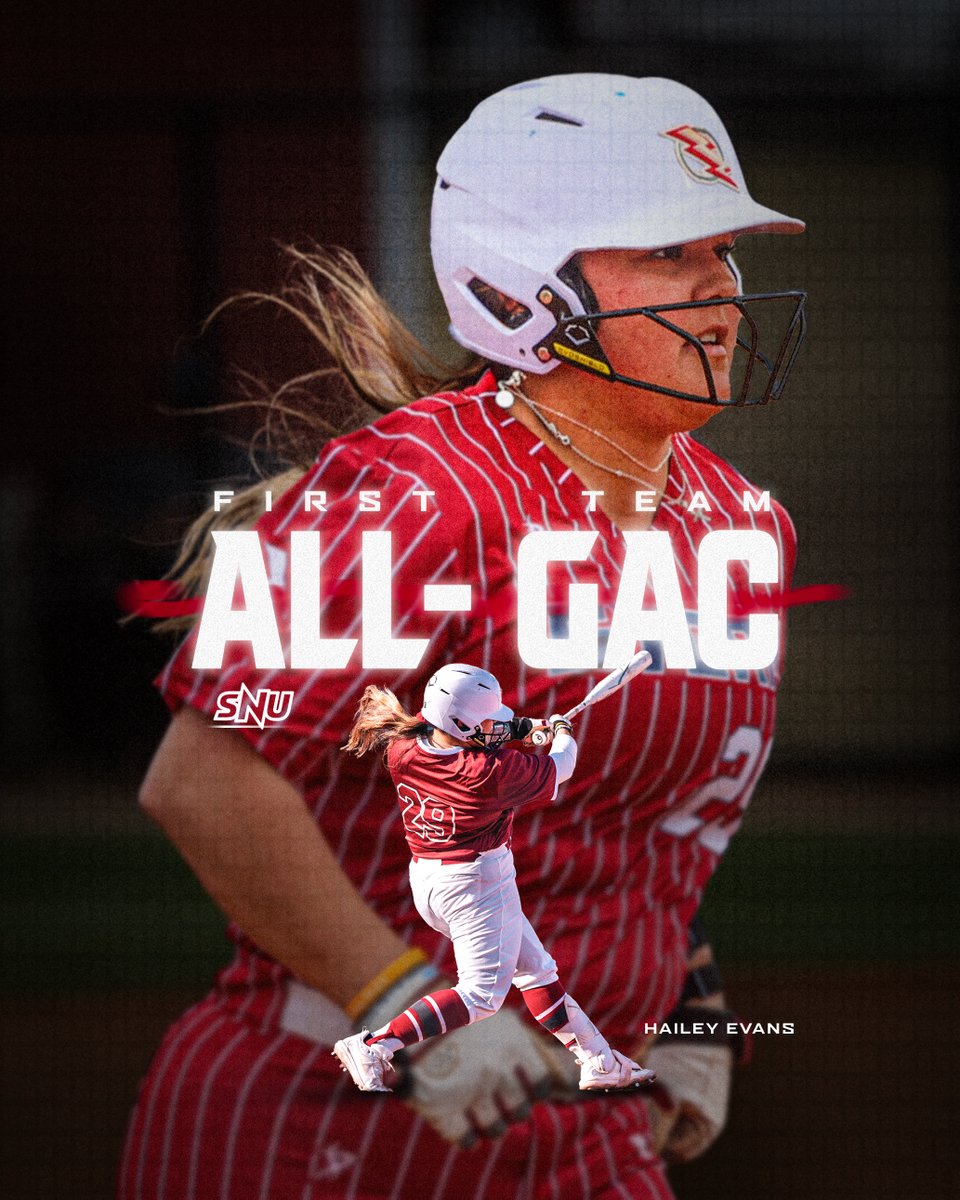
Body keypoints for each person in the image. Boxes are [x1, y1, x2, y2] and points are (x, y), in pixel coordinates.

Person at [119, 74, 803, 1200]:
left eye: (722, 252)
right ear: (526, 280)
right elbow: (199, 783)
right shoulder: (413, 493)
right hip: (324, 1115)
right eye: (669, 256)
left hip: (577, 1119)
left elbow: (628, 818)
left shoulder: (743, 523)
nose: (722, 293)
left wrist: (685, 994)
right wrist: (402, 1005)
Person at [333, 665, 656, 1095]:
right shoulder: (488, 773)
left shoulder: (405, 745)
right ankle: (375, 1045)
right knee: (482, 997)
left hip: (431, 880)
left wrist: (529, 728)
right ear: (462, 725)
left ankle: (599, 1059)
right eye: (485, 721)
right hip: (477, 884)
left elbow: (486, 733)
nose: (494, 726)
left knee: (536, 970)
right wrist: (560, 733)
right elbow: (563, 765)